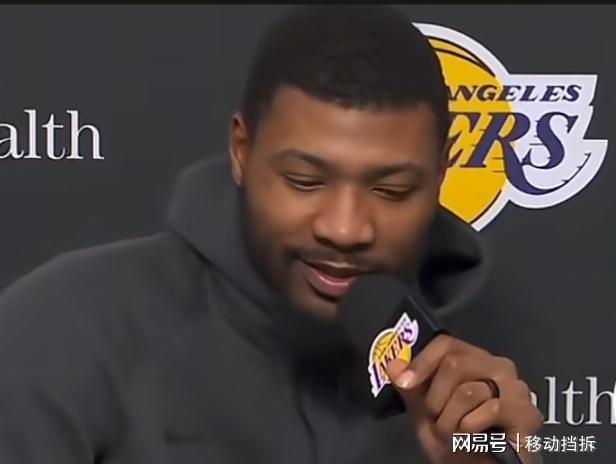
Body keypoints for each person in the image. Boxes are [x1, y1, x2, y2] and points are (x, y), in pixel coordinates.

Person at [0, 5, 543, 464]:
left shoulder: (473, 377)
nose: (345, 228)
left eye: (391, 190)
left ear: (442, 175)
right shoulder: (66, 331)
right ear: (242, 151)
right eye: (305, 181)